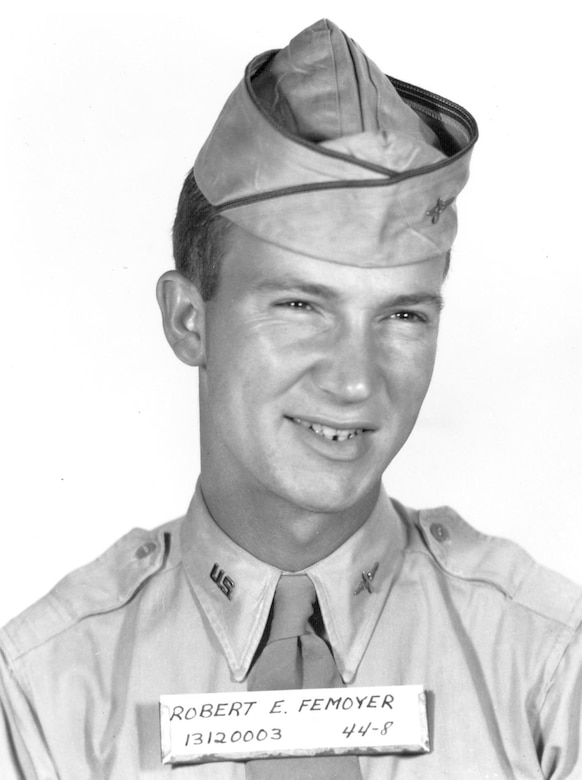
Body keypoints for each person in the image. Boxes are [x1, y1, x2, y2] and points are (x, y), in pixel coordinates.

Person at [1, 18, 580, 779]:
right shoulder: (42, 695)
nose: (355, 381)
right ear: (187, 319)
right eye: (301, 307)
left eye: (402, 315)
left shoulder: (550, 666)